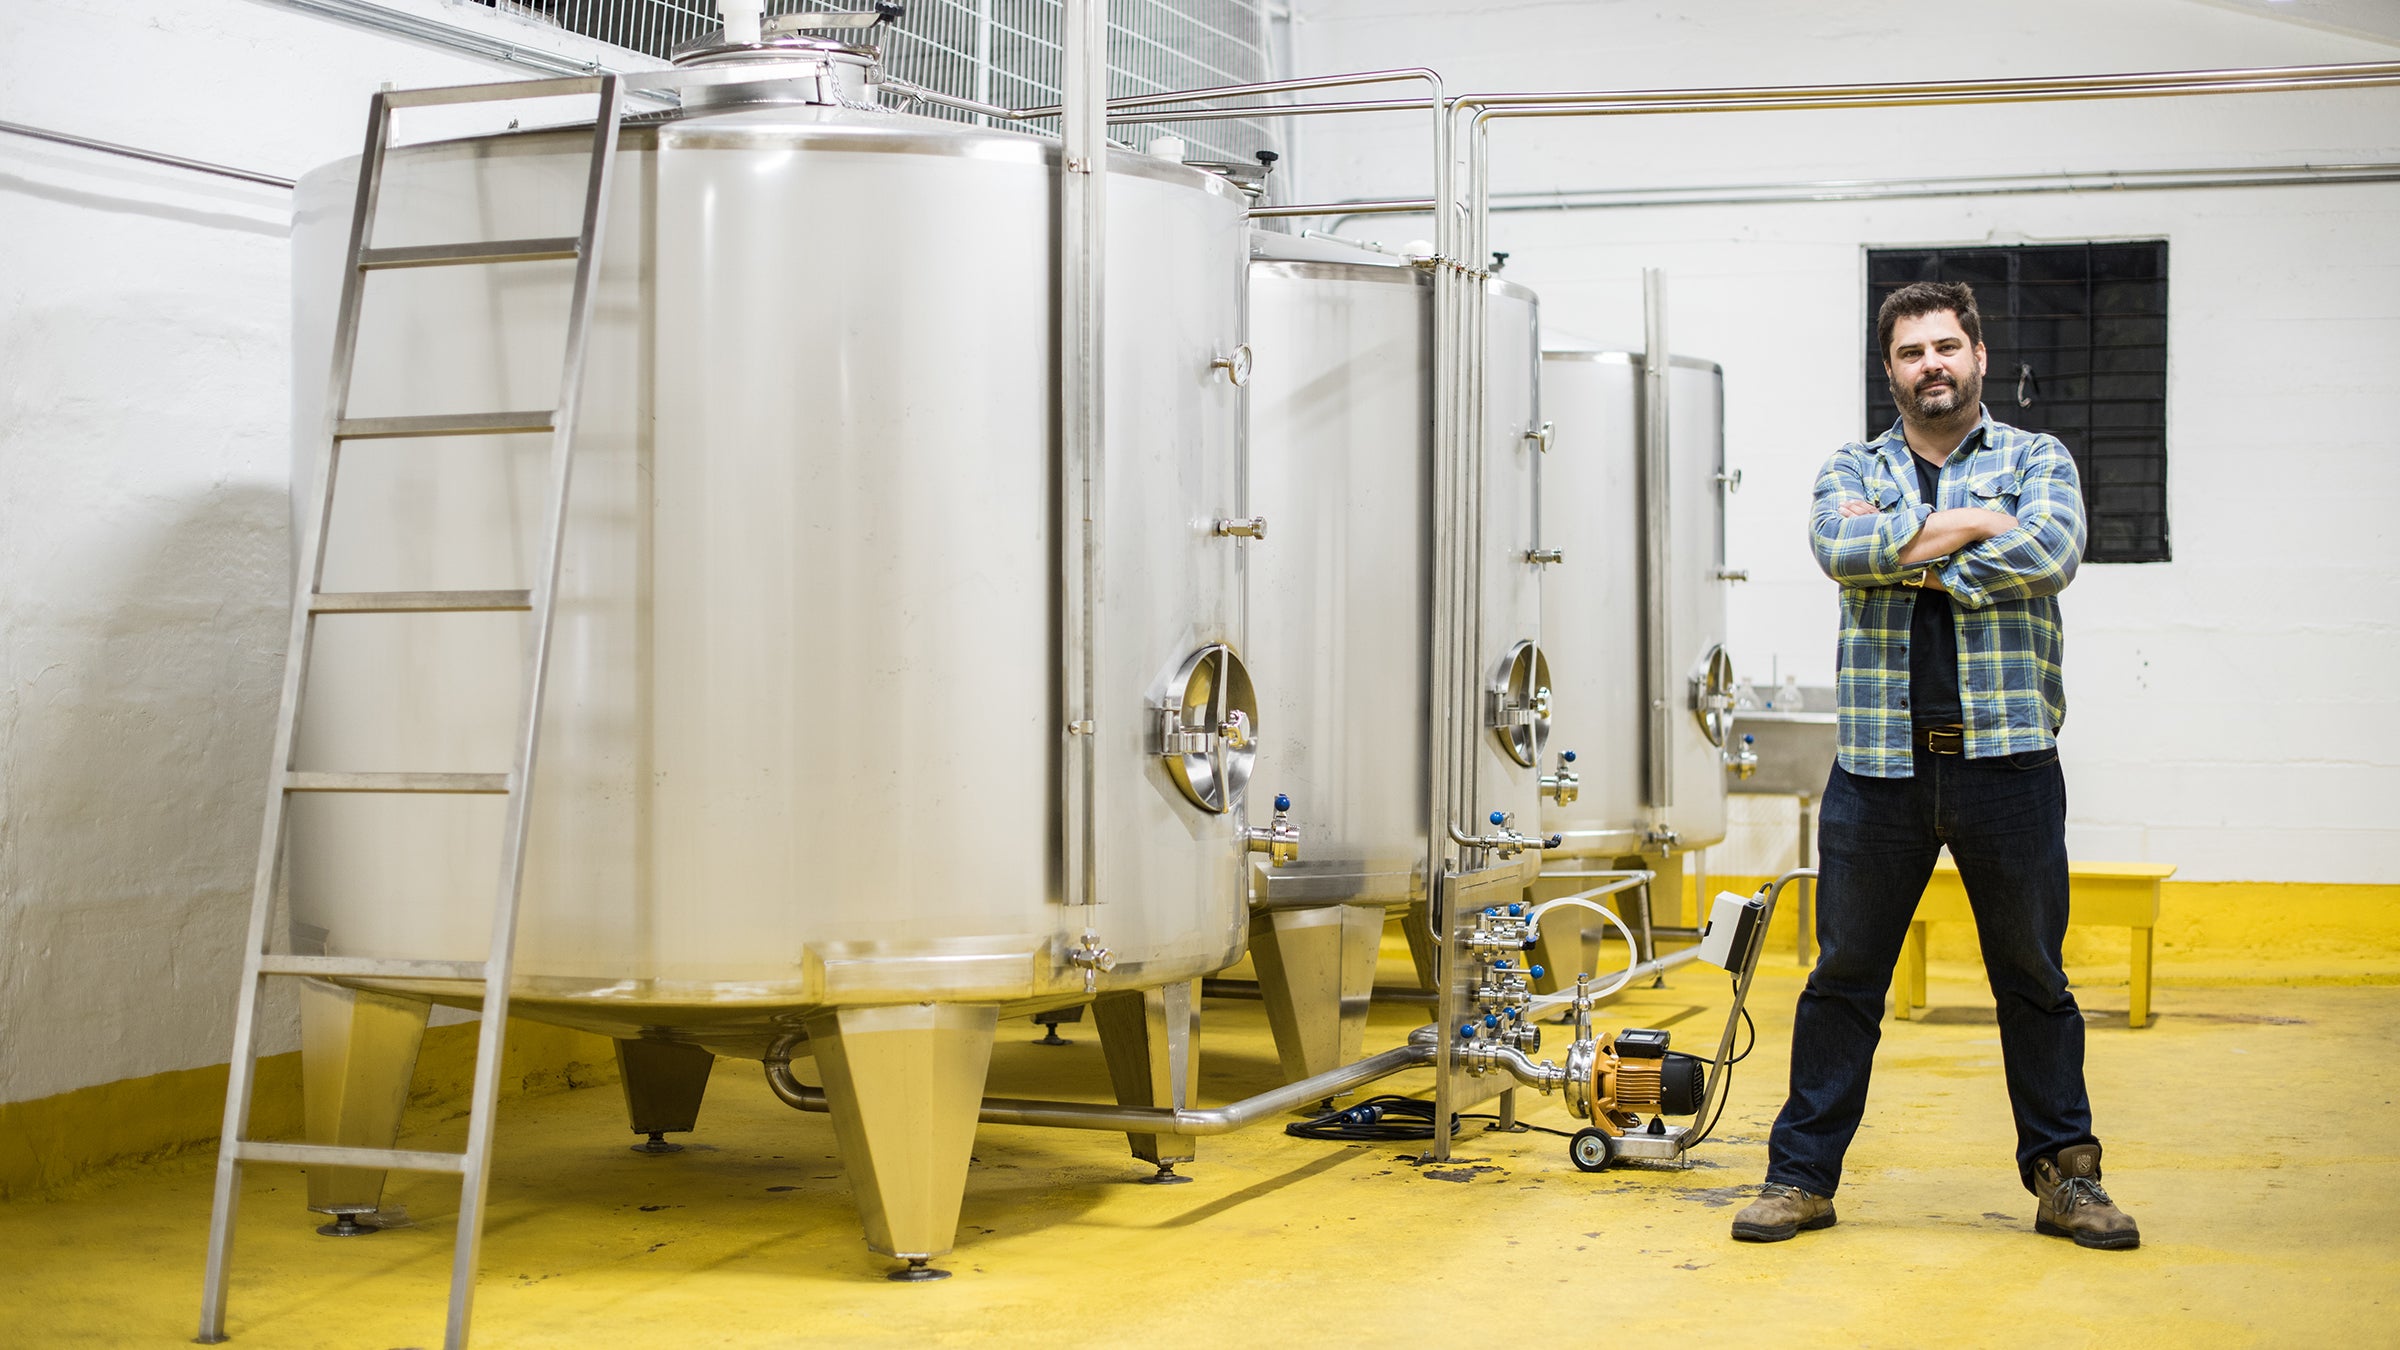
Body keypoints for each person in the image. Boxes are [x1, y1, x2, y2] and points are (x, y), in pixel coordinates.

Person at [1728, 281, 2138, 1250]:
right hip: (1879, 770)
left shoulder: (2039, 458)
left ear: (1980, 356)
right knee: (1843, 980)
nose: (1932, 366)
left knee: (2034, 978)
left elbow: (2054, 550)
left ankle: (2066, 1180)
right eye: (1913, 353)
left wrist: (1909, 552)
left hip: (2010, 763)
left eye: (1947, 346)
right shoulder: (1850, 466)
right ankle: (1801, 1178)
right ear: (1891, 370)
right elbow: (1840, 548)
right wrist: (1977, 524)